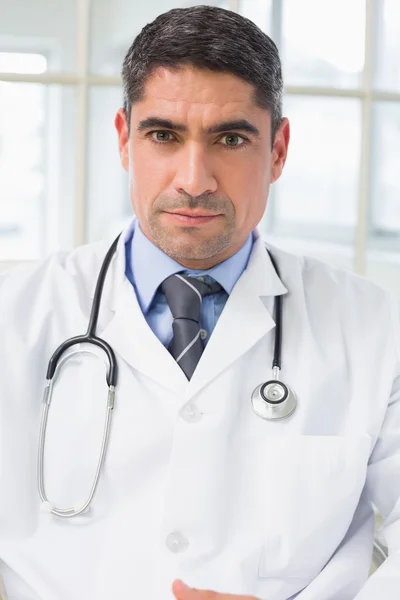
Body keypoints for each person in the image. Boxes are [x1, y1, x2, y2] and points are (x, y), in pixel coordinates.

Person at [0, 5, 399, 600]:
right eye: (163, 135)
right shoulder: (16, 313)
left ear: (279, 150)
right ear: (123, 140)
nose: (196, 179)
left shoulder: (375, 329)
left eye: (230, 139)